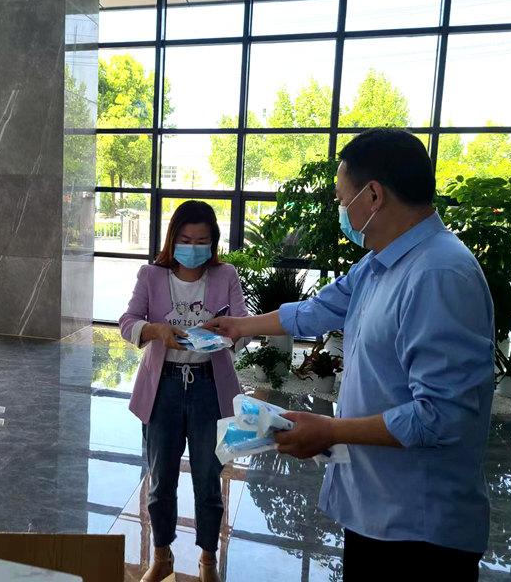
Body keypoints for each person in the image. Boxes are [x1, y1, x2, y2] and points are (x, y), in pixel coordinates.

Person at [207, 129, 494, 580]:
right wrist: (240, 326)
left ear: (373, 195)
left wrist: (329, 430)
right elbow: (318, 310)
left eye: (343, 199)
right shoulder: (381, 263)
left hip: (419, 535)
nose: (341, 210)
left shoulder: (439, 274)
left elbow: (441, 416)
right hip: (377, 512)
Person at [120, 201, 248, 582]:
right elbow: (127, 322)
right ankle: (161, 556)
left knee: (209, 480)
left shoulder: (226, 275)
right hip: (164, 387)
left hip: (211, 387)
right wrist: (155, 330)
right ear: (173, 239)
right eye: (186, 239)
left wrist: (226, 332)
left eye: (202, 241)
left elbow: (243, 328)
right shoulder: (151, 275)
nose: (193, 247)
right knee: (161, 480)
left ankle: (208, 561)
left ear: (213, 243)